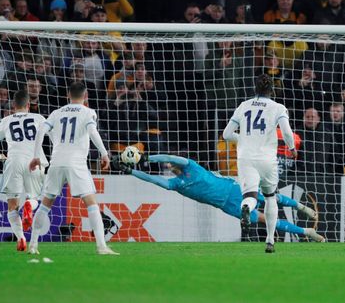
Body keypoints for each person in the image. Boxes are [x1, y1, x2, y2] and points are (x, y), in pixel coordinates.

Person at [118, 153, 323, 242]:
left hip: (233, 189)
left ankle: (301, 207)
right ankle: (307, 231)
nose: (168, 167)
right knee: (266, 218)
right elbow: (152, 180)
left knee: (271, 198)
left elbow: (168, 158)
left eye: (170, 166)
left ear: (175, 167)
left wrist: (146, 158)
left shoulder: (191, 166)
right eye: (168, 167)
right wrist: (131, 172)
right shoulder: (175, 184)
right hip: (228, 204)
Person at [27, 82, 117, 255]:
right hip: (76, 163)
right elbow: (92, 131)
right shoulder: (88, 112)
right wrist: (104, 153)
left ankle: (33, 245)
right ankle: (101, 246)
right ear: (86, 96)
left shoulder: (56, 113)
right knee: (91, 203)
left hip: (56, 162)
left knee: (45, 204)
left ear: (68, 95)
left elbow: (40, 131)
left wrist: (36, 156)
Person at [222, 74, 297, 253]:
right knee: (270, 197)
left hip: (246, 158)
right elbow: (286, 132)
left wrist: (242, 138)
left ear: (255, 89)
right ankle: (270, 240)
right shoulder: (278, 107)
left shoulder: (243, 105)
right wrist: (292, 148)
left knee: (250, 196)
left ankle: (247, 208)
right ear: (272, 90)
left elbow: (226, 134)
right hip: (267, 159)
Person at [0, 90, 48, 252]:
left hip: (13, 161)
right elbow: (53, 136)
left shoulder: (6, 120)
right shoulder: (39, 118)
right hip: (34, 160)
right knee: (35, 197)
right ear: (29, 104)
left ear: (14, 106)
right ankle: (29, 204)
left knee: (12, 205)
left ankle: (21, 237)